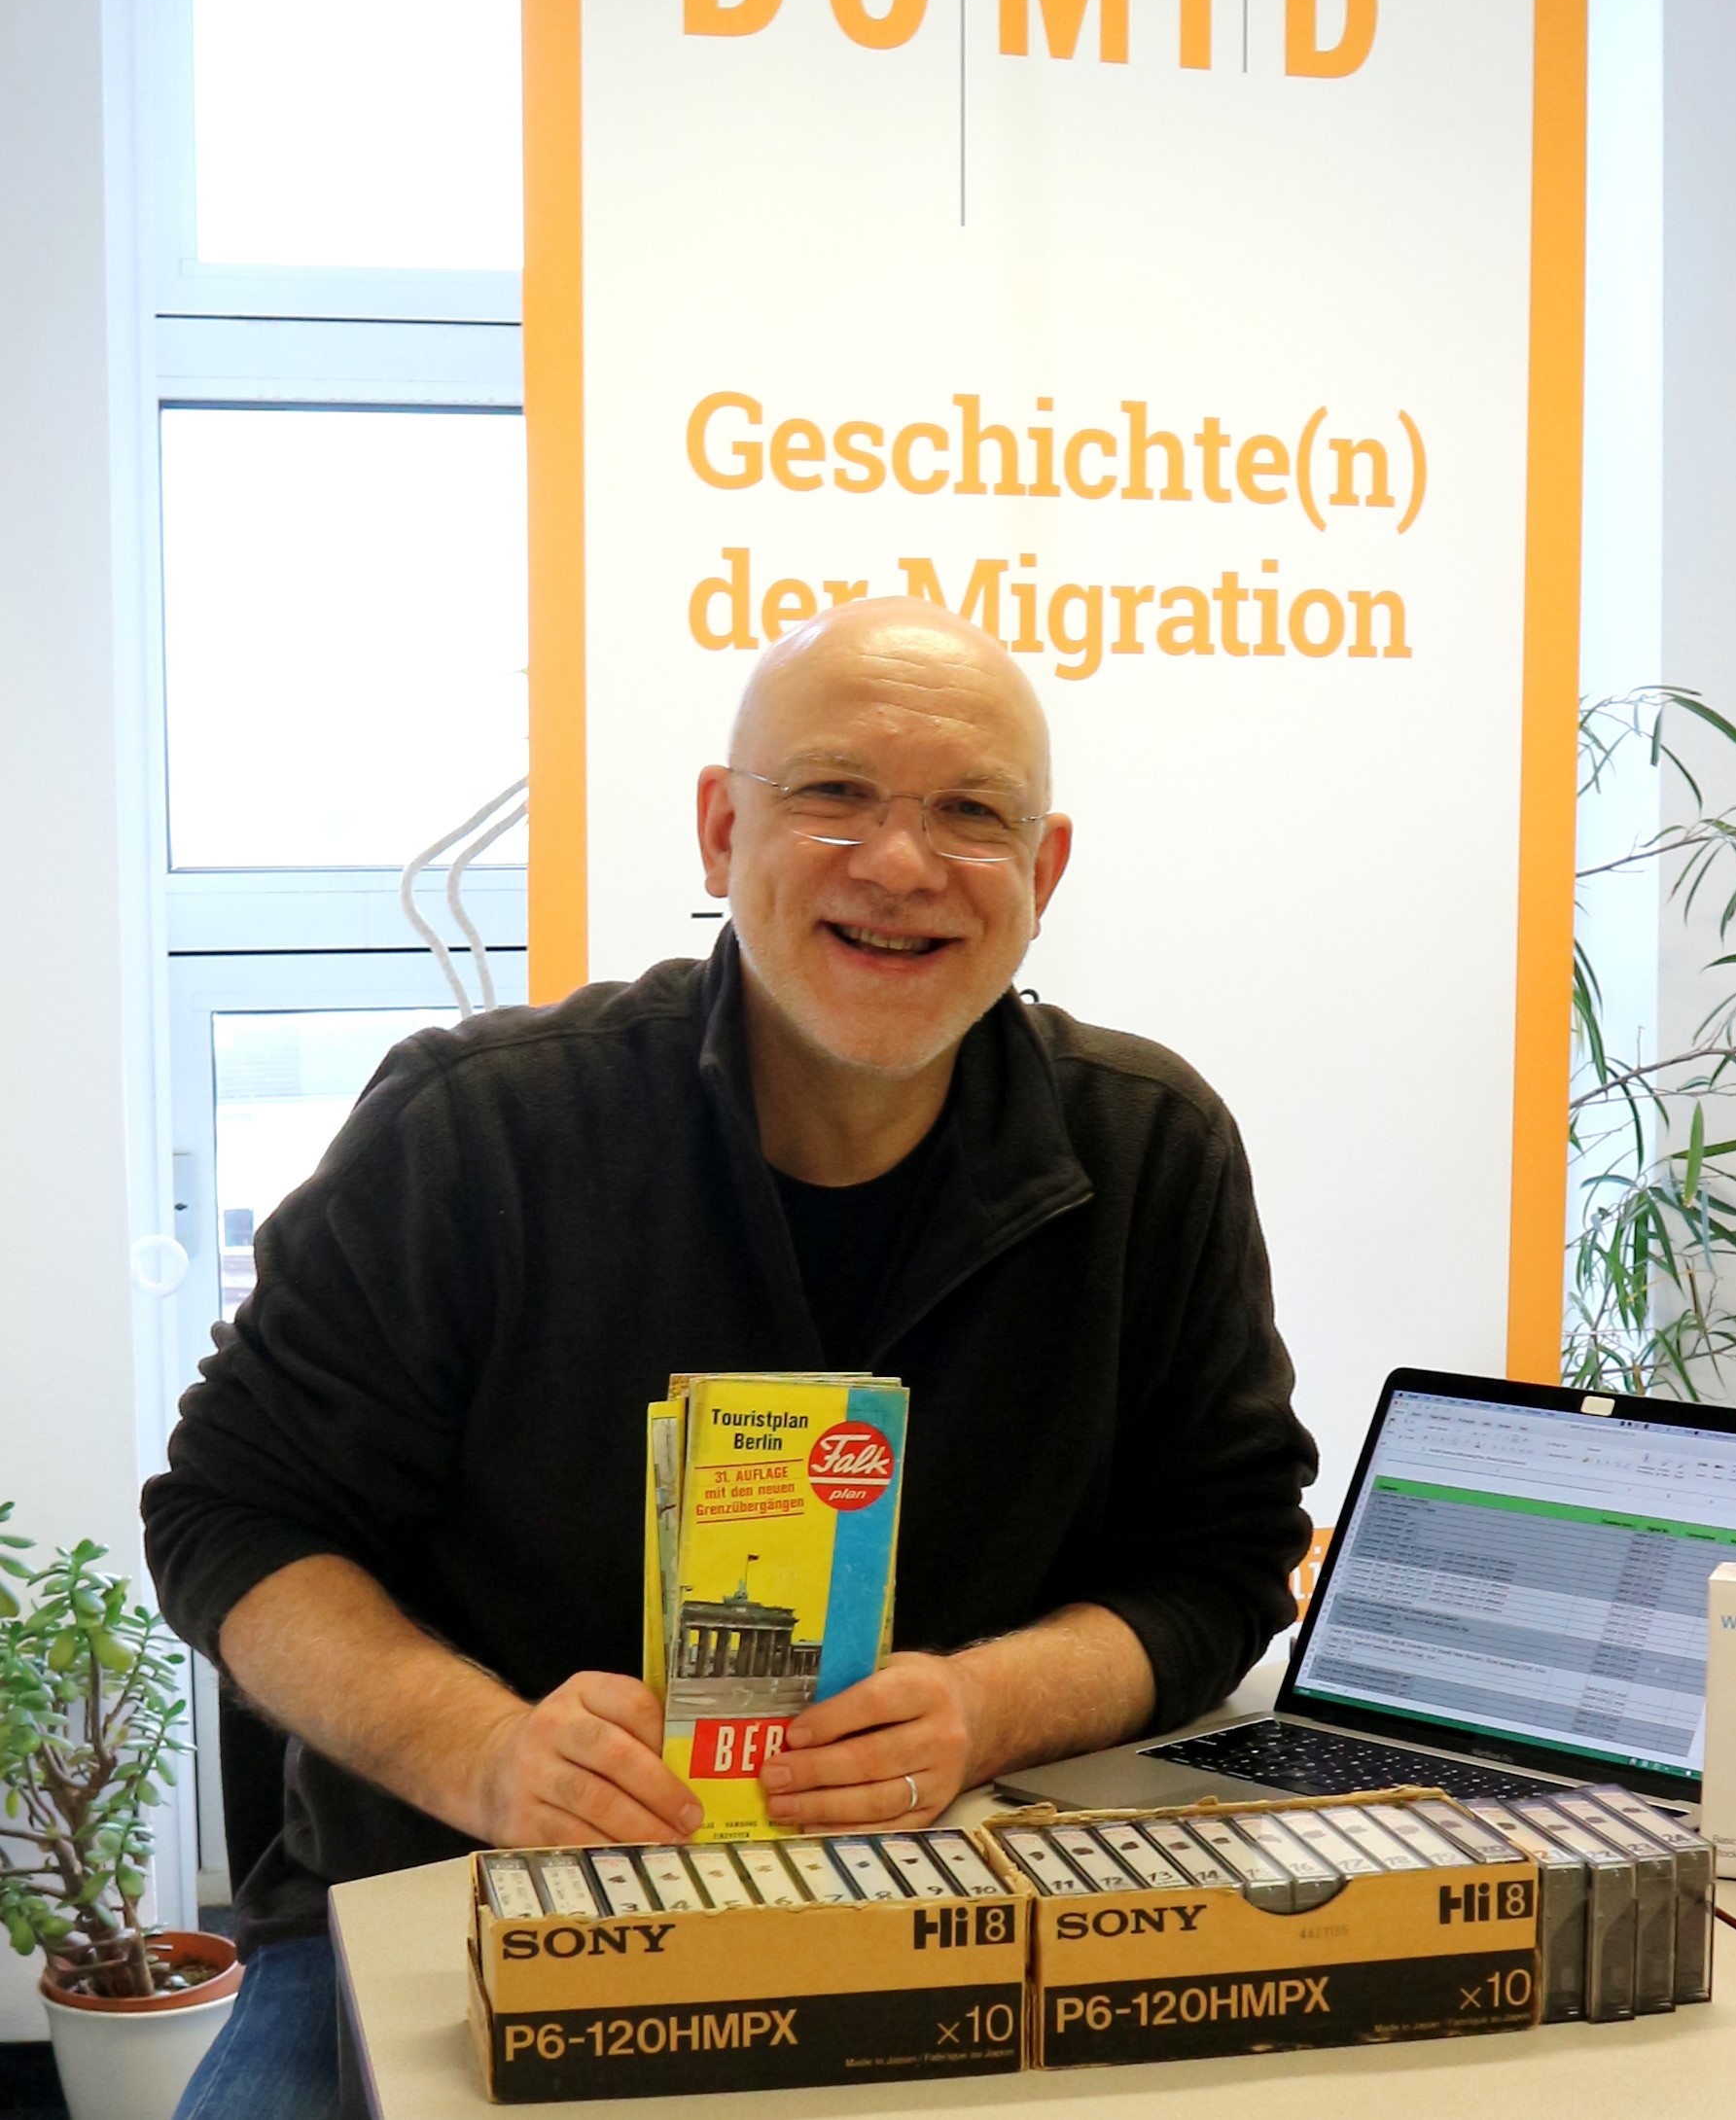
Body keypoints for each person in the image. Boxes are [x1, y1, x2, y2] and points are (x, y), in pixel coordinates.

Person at [145, 597, 1316, 2117]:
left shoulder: (1151, 1153)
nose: (900, 864)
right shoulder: (477, 1133)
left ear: (1043, 876)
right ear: (718, 831)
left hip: (946, 1907)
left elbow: (1224, 1560)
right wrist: (486, 1756)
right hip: (453, 1903)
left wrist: (988, 1708)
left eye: (972, 814)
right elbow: (232, 1517)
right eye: (834, 793)